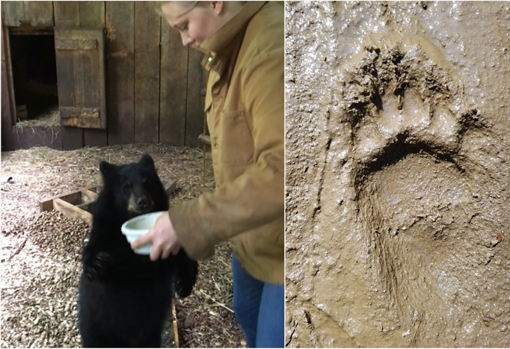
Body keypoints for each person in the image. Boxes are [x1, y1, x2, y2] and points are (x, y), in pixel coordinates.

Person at [131, 2, 284, 347]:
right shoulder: (227, 48)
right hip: (251, 234)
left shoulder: (270, 47)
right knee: (246, 313)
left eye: (185, 26)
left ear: (216, 2)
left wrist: (190, 222)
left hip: (286, 252)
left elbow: (284, 171)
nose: (185, 40)